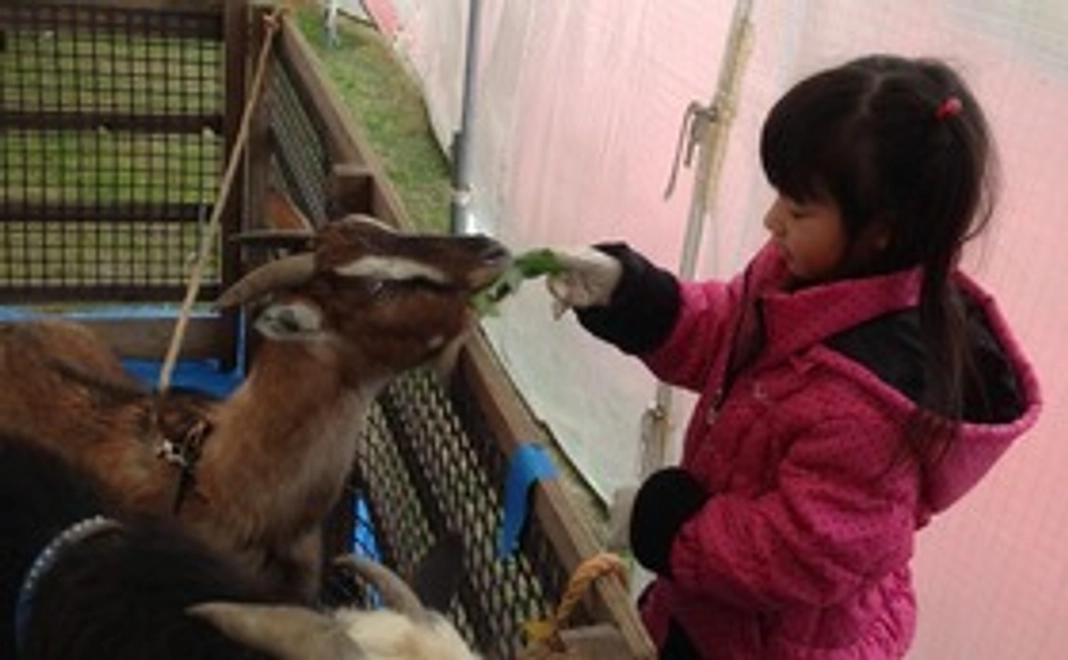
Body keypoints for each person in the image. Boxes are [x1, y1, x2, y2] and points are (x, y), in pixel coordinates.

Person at [546, 54, 1041, 659]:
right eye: (781, 195)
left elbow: (801, 549)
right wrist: (635, 297)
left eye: (799, 209)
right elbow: (727, 328)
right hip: (711, 610)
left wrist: (674, 529)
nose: (772, 219)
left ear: (882, 230)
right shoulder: (797, 273)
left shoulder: (868, 409)